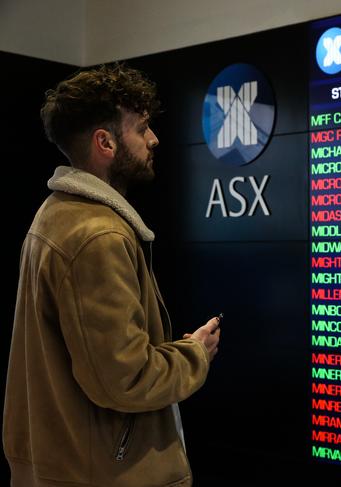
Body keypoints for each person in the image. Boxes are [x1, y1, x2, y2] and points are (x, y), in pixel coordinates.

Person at [2, 63, 220, 486]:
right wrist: (194, 353)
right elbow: (124, 380)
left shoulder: (57, 215)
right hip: (106, 474)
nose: (153, 139)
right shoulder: (98, 236)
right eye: (141, 129)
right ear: (105, 142)